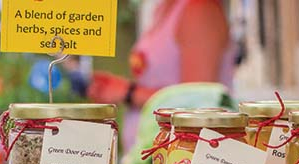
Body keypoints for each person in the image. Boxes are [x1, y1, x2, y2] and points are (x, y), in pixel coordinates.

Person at [86, 0, 236, 107]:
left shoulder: (200, 9)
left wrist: (128, 93)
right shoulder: (163, 8)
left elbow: (198, 101)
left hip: (179, 148)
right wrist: (119, 87)